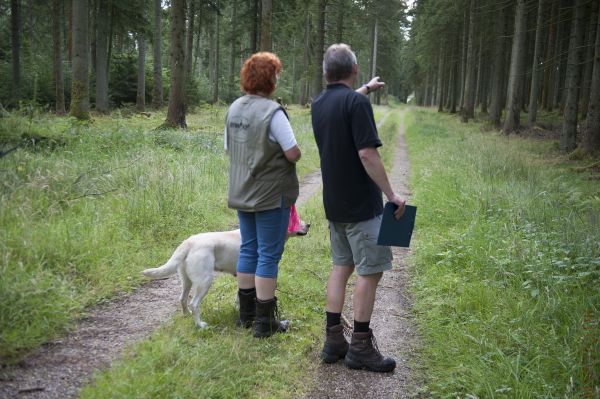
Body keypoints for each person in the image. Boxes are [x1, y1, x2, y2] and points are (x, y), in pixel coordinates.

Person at [311, 43, 406, 372]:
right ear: (354, 70)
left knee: (341, 267)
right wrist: (392, 194)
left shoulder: (319, 104)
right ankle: (361, 348)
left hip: (334, 204)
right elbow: (368, 154)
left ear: (326, 73)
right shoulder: (356, 104)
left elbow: (344, 102)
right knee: (370, 272)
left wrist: (365, 89)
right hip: (363, 207)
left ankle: (333, 340)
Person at [225, 52, 301, 338]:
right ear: (270, 79)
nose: (279, 78)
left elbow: (229, 149)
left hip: (242, 190)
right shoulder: (273, 112)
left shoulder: (233, 108)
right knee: (268, 254)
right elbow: (292, 152)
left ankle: (245, 316)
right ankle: (264, 322)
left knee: (248, 249)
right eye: (277, 74)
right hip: (270, 194)